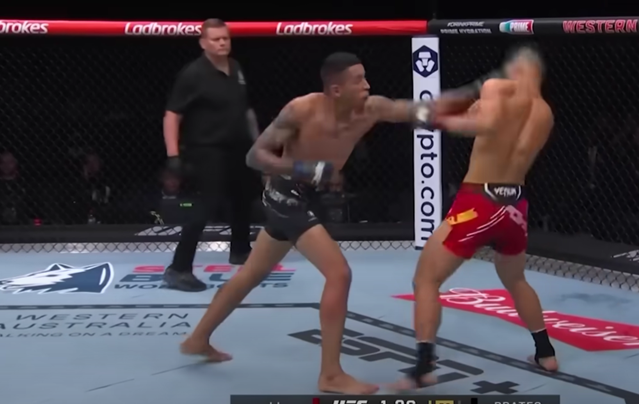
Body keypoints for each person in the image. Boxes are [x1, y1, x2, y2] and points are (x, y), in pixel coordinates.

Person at [180, 51, 467, 394]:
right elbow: (255, 156)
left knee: (251, 274)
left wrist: (471, 95)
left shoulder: (372, 108)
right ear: (336, 89)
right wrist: (304, 168)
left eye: (365, 77)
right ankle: (330, 374)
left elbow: (413, 109)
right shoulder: (301, 109)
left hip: (309, 197)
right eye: (358, 80)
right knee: (339, 273)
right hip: (286, 194)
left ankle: (197, 339)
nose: (367, 85)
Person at [397, 45, 558, 390]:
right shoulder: (545, 112)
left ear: (515, 69)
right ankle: (546, 353)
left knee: (425, 279)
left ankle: (424, 365)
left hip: (479, 202)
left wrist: (435, 119)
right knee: (516, 279)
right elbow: (499, 128)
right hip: (515, 205)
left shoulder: (497, 89)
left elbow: (483, 125)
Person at [162, 19, 259, 292]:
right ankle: (178, 268)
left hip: (238, 147)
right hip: (207, 149)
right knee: (206, 205)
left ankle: (240, 250)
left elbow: (245, 109)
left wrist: (258, 142)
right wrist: (173, 155)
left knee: (243, 197)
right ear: (203, 43)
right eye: (216, 39)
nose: (222, 43)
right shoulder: (193, 73)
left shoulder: (236, 67)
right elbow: (172, 115)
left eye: (225, 38)